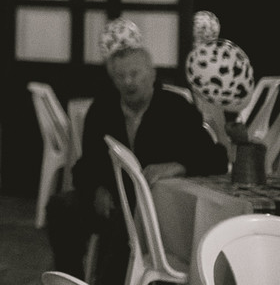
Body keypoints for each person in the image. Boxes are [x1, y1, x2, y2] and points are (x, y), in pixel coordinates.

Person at [45, 20, 227, 285]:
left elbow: (216, 158)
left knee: (123, 229)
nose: (129, 82)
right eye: (120, 76)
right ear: (113, 79)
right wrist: (96, 189)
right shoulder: (103, 108)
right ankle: (71, 280)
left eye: (135, 74)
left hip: (153, 209)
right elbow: (85, 166)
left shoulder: (175, 108)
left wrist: (180, 165)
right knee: (61, 207)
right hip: (110, 199)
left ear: (151, 74)